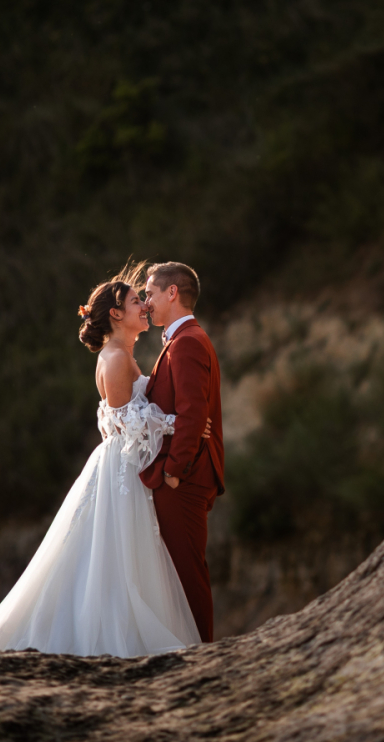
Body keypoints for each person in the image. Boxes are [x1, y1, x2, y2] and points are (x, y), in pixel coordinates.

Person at [0, 269, 204, 656]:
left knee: (118, 558)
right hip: (121, 472)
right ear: (117, 315)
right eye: (137, 301)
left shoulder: (122, 355)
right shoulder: (117, 359)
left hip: (123, 468)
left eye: (144, 297)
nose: (145, 305)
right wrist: (180, 424)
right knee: (114, 557)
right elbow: (129, 423)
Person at [137, 261, 224, 643]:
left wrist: (173, 471)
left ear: (172, 293)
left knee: (188, 572)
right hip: (186, 475)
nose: (146, 302)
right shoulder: (181, 339)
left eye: (150, 293)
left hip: (184, 478)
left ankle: (203, 654)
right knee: (181, 569)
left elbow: (193, 413)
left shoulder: (187, 341)